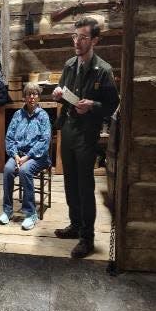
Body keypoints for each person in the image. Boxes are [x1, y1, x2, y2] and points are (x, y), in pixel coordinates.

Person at [52, 17, 120, 258]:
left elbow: (113, 104)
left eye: (83, 37)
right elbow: (61, 90)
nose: (77, 42)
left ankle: (87, 238)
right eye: (75, 37)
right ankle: (75, 225)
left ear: (95, 40)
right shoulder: (70, 64)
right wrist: (57, 93)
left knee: (84, 184)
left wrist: (92, 105)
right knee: (70, 181)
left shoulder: (104, 70)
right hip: (68, 128)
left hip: (87, 132)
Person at [0, 82, 51, 231]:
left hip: (37, 156)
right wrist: (15, 155)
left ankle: (30, 213)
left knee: (24, 171)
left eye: (35, 94)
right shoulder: (17, 115)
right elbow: (9, 138)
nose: (32, 97)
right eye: (29, 94)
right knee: (8, 169)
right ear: (24, 97)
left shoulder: (43, 116)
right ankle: (7, 210)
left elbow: (44, 141)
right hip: (18, 155)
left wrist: (27, 157)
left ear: (38, 97)